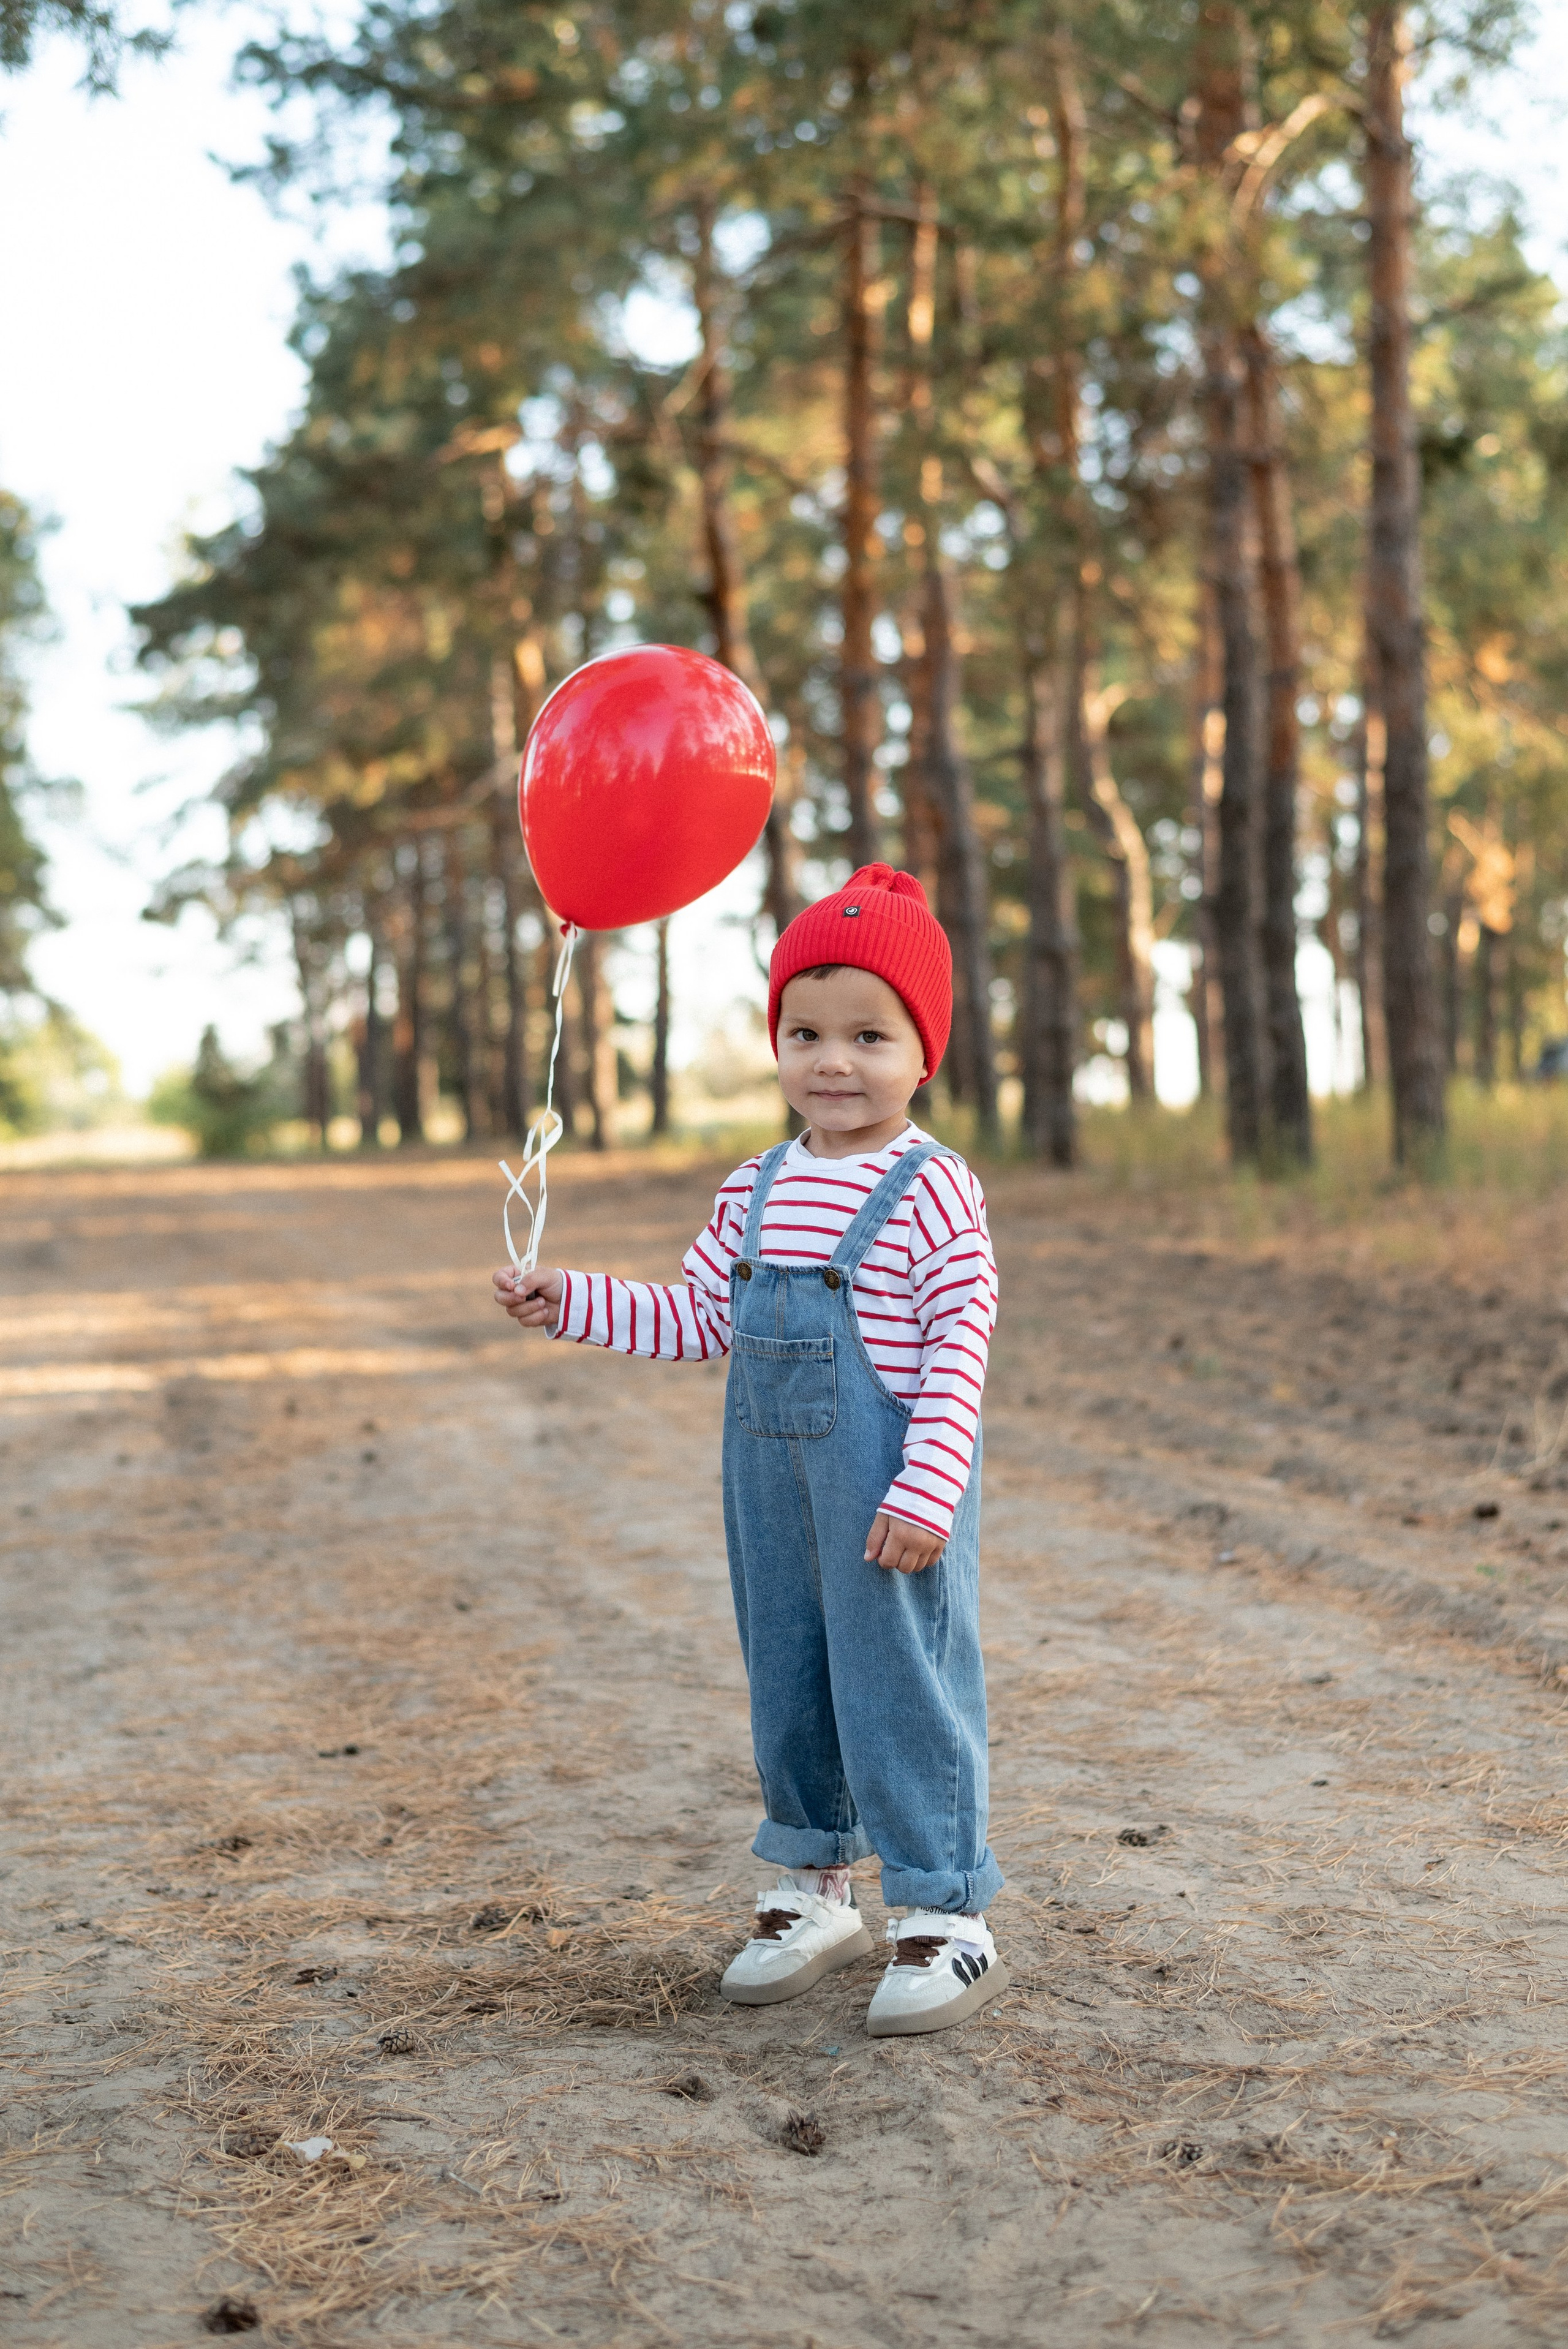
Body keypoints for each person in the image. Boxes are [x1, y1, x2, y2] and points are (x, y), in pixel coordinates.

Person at [493, 864, 1005, 2036]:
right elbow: (698, 1319)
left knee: (902, 1686)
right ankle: (815, 1888)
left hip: (888, 1490)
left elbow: (959, 1345)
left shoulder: (933, 1190)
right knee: (790, 1674)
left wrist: (930, 1486)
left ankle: (945, 1911)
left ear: (924, 1053)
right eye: (805, 1032)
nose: (834, 1061)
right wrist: (571, 1298)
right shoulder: (757, 1186)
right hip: (772, 1490)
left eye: (870, 1036)